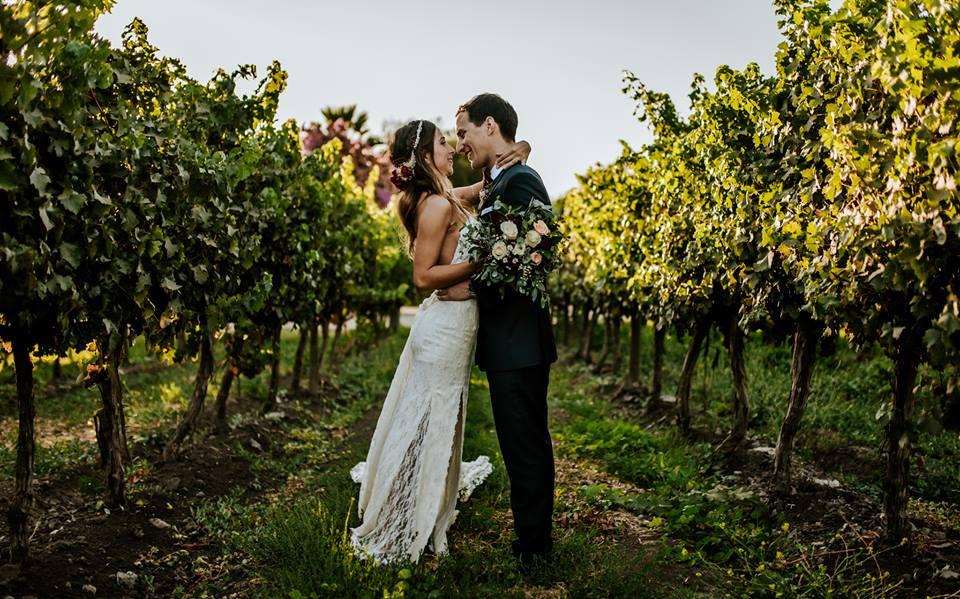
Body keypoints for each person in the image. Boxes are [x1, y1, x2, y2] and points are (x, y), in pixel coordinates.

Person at [349, 118, 530, 564]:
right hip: (444, 328)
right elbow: (423, 276)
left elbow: (486, 185)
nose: (452, 148)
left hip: (455, 326)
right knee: (428, 420)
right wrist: (481, 265)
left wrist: (522, 147)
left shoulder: (447, 197)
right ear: (427, 157)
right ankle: (403, 514)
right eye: (443, 143)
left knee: (439, 418)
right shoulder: (434, 206)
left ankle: (422, 505)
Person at [441, 93, 558, 572]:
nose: (461, 143)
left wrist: (468, 288)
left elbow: (529, 258)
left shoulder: (521, 178)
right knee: (518, 442)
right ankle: (531, 537)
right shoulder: (499, 179)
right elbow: (454, 202)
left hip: (520, 342)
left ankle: (534, 548)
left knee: (526, 444)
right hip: (509, 343)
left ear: (489, 125)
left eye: (464, 132)